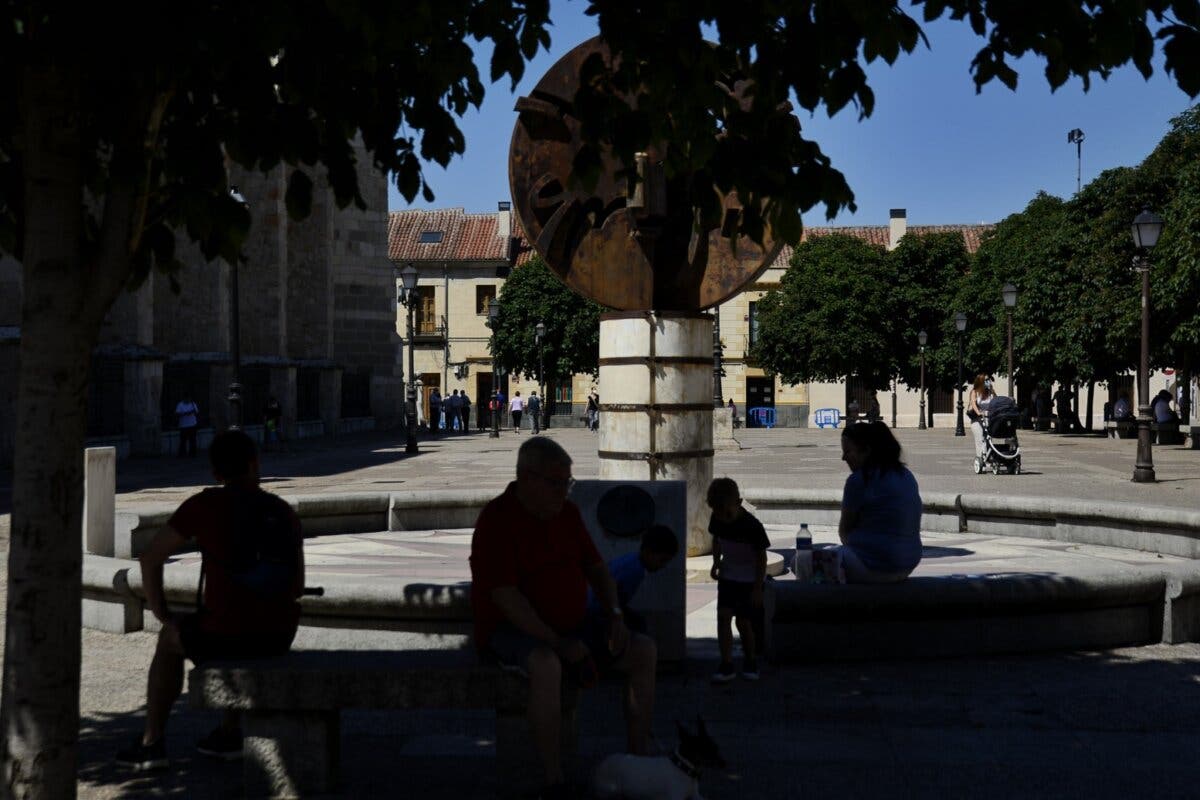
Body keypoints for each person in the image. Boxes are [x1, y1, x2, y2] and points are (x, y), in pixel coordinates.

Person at [470, 437, 657, 799]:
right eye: (557, 483)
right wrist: (557, 643)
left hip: (572, 625)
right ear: (527, 479)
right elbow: (506, 598)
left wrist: (614, 613)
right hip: (511, 631)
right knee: (546, 664)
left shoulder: (567, 515)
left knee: (643, 650)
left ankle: (638, 759)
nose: (564, 491)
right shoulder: (497, 520)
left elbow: (597, 568)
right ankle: (553, 779)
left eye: (567, 483)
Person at [116, 430, 305, 770]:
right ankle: (229, 731)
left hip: (226, 637)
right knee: (235, 621)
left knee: (171, 639)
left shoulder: (203, 505)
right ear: (255, 464)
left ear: (216, 473)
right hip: (278, 635)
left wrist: (161, 612)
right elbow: (298, 584)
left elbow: (150, 558)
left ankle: (152, 740)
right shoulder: (282, 511)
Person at [836, 421, 923, 584]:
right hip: (907, 563)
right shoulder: (907, 475)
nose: (843, 457)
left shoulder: (859, 480)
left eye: (848, 451)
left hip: (869, 565)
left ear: (866, 451)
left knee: (803, 562)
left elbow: (844, 533)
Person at [706, 477, 769, 683]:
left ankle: (750, 660)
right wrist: (716, 562)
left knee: (743, 622)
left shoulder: (752, 526)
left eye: (727, 513)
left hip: (748, 580)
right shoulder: (717, 519)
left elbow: (761, 557)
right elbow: (716, 540)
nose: (723, 518)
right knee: (723, 618)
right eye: (717, 512)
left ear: (739, 503)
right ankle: (726, 663)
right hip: (728, 576)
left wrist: (758, 588)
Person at [586, 524, 678, 634]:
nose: (663, 566)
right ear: (648, 551)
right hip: (593, 613)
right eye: (662, 560)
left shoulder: (633, 561)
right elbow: (611, 594)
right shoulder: (634, 570)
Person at [966, 374, 993, 460]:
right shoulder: (975, 391)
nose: (988, 382)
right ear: (980, 382)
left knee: (988, 438)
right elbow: (973, 404)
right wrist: (978, 412)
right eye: (986, 380)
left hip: (988, 418)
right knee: (980, 437)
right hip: (977, 419)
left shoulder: (990, 391)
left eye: (988, 380)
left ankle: (989, 456)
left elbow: (996, 401)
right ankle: (980, 457)